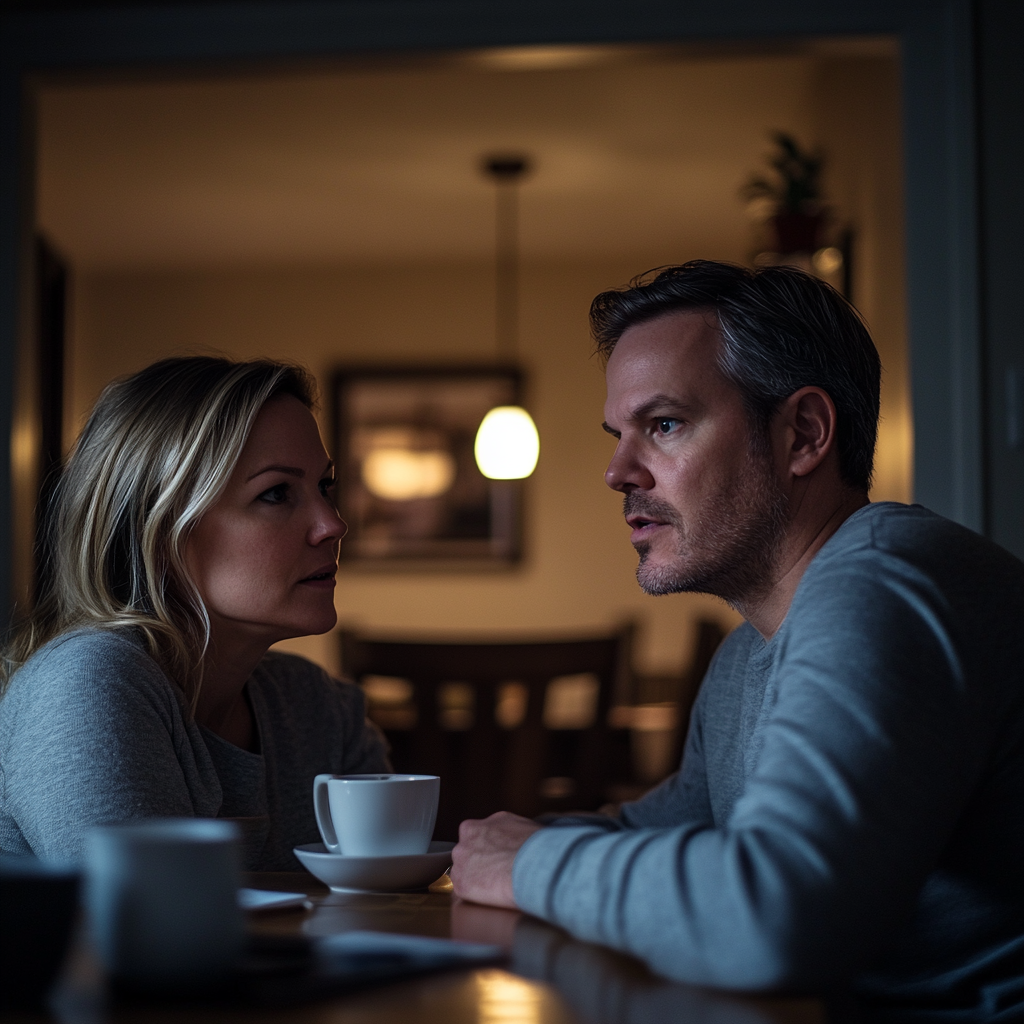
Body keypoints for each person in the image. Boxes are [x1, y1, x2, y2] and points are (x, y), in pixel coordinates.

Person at [451, 261, 1024, 1017]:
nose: (617, 471)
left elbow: (776, 918)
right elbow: (657, 831)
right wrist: (495, 847)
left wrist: (525, 863)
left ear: (803, 435)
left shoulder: (885, 582)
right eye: (618, 434)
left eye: (663, 425)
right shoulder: (748, 652)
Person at [0, 357, 389, 869]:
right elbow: (154, 936)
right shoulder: (86, 684)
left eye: (324, 487)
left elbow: (396, 910)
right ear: (160, 534)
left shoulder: (318, 710)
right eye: (276, 493)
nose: (332, 524)